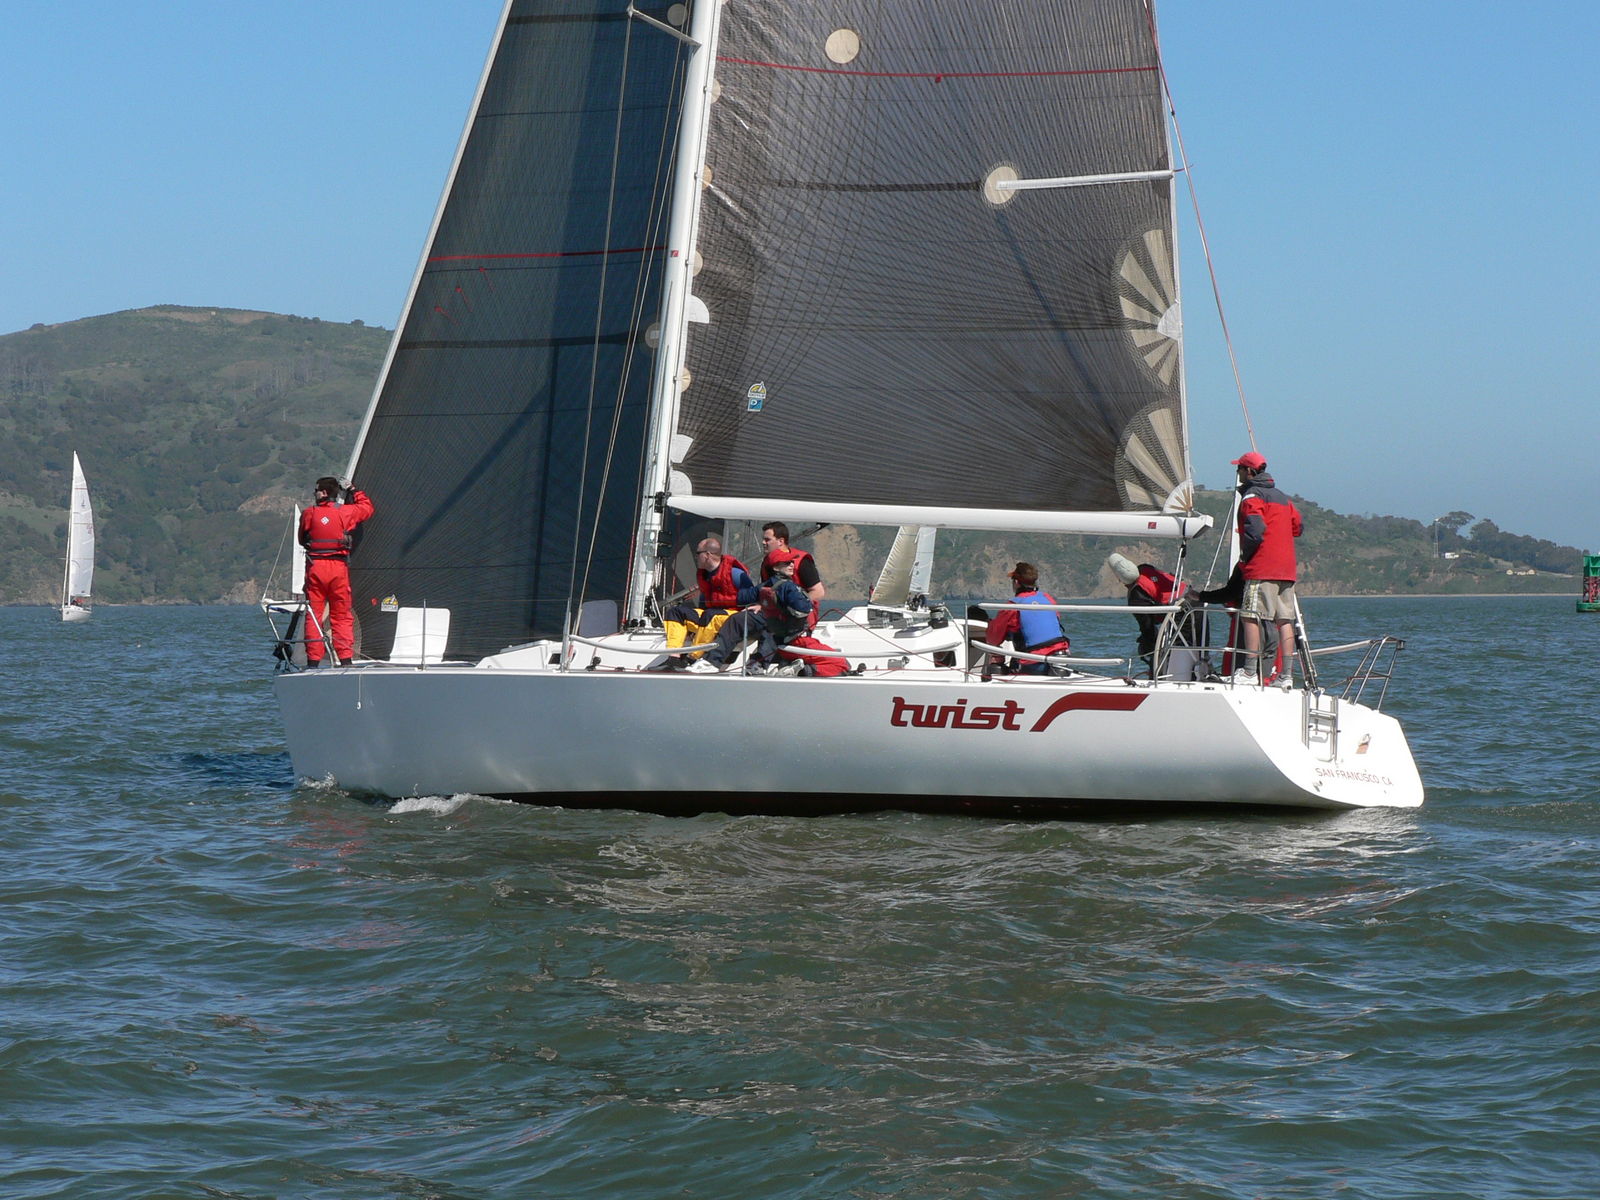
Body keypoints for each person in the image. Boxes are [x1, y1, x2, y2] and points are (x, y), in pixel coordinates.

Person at [1231, 451, 1303, 683]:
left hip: (1262, 567)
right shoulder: (1283, 497)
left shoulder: (1252, 495)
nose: (1237, 472)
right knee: (1285, 620)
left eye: (1239, 468)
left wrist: (1246, 557)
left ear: (1248, 471)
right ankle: (1286, 675)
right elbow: (1298, 527)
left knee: (1250, 616)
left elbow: (1255, 529)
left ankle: (1249, 671)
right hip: (1287, 569)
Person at [687, 551, 814, 672]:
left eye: (792, 562)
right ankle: (753, 664)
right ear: (775, 568)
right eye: (786, 563)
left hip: (785, 626)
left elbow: (802, 609)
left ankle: (713, 661)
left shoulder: (784, 586)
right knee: (739, 619)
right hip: (775, 622)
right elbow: (743, 597)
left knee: (741, 620)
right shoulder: (777, 584)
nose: (791, 565)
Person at [298, 475, 375, 668]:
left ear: (323, 493)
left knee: (314, 616)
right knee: (341, 615)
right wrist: (352, 490)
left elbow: (302, 539)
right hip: (338, 569)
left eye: (316, 491)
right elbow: (367, 508)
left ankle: (313, 662)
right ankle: (346, 660)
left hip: (315, 568)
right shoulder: (346, 512)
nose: (314, 494)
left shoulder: (309, 514)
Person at [661, 536, 757, 660]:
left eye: (698, 553)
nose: (696, 557)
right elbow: (704, 603)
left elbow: (751, 598)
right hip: (711, 617)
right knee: (676, 612)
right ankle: (673, 656)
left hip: (734, 618)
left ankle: (693, 657)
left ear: (707, 555)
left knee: (711, 615)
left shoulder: (735, 574)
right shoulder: (704, 575)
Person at [1107, 552, 1188, 676]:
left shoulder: (1136, 597)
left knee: (1178, 652)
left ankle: (1160, 675)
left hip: (1181, 614)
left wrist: (1147, 649)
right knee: (1195, 649)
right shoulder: (1146, 569)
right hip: (1192, 599)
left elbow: (1147, 628)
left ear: (1119, 578)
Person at [984, 562, 1069, 676]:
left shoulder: (1012, 606)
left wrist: (991, 625)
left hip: (1033, 662)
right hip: (1059, 658)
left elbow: (993, 639)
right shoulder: (1048, 599)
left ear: (1016, 582)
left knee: (997, 664)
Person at [759, 522, 824, 626]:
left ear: (780, 541)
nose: (763, 542)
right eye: (763, 539)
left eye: (767, 540)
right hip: (774, 617)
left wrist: (793, 604)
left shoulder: (802, 561)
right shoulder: (766, 564)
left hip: (800, 619)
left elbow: (818, 592)